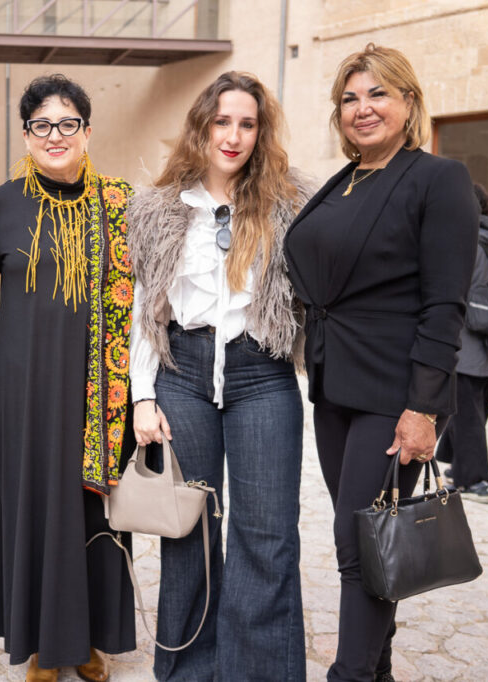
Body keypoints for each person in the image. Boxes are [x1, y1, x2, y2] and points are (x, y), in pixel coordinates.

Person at [283, 44, 478, 681]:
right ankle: (379, 671)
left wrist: (423, 408)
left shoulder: (436, 179)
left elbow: (445, 303)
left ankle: (352, 674)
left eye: (378, 94)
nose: (363, 109)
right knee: (375, 542)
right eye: (350, 98)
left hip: (397, 394)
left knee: (355, 541)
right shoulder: (345, 180)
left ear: (410, 102)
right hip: (337, 387)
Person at [126, 71, 310, 682]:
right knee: (190, 533)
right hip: (182, 373)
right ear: (202, 126)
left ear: (261, 133)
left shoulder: (289, 206)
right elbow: (143, 305)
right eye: (222, 121)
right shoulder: (157, 207)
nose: (233, 136)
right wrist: (143, 394)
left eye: (247, 124)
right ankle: (188, 674)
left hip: (263, 376)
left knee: (268, 535)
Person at [0, 74, 136, 682]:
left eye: (68, 123)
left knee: (92, 512)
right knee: (35, 508)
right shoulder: (5, 203)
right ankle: (43, 643)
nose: (56, 135)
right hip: (21, 391)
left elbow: (145, 301)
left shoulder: (119, 204)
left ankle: (88, 640)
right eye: (42, 125)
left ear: (88, 132)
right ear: (26, 135)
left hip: (99, 392)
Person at [436, 183, 488, 503]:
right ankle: (459, 464)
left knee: (466, 410)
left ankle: (475, 482)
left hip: (469, 333)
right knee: (476, 406)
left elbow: (455, 283)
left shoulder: (463, 238)